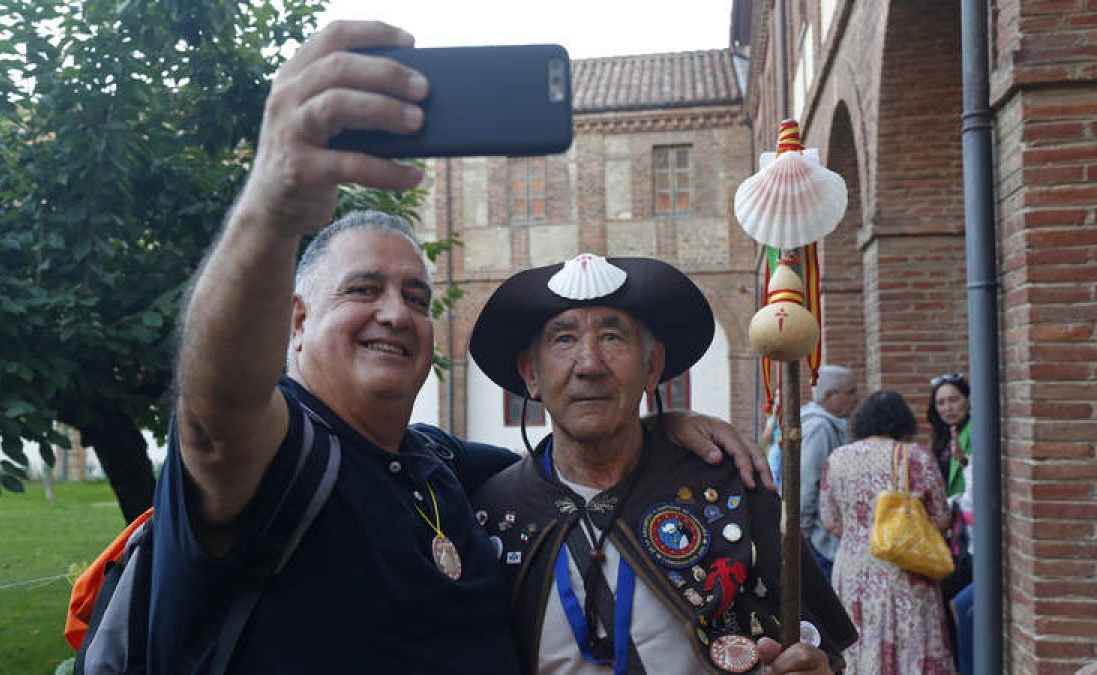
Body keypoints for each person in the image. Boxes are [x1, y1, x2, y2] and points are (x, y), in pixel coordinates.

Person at [149, 20, 771, 672]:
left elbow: (570, 449)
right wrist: (270, 206)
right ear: (296, 320)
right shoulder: (276, 453)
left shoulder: (435, 462)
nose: (396, 313)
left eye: (417, 297)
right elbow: (214, 417)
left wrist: (657, 419)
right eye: (365, 288)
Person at [469, 253, 857, 674]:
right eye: (563, 340)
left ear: (652, 367)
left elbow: (821, 655)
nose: (589, 364)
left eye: (613, 337)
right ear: (531, 374)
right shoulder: (492, 509)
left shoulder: (732, 484)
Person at [820, 390, 954, 675]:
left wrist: (860, 534)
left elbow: (829, 520)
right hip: (904, 569)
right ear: (901, 421)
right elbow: (941, 519)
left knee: (858, 645)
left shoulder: (837, 459)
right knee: (910, 646)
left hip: (852, 571)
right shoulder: (915, 457)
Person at [928, 372, 975, 672]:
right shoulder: (944, 436)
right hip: (950, 532)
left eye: (954, 400)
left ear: (968, 400)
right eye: (941, 402)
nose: (948, 408)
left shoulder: (972, 431)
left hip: (968, 533)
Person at [799, 364, 859, 580]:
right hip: (818, 539)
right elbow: (807, 481)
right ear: (830, 395)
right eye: (851, 392)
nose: (857, 398)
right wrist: (803, 532)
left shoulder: (829, 424)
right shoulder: (819, 428)